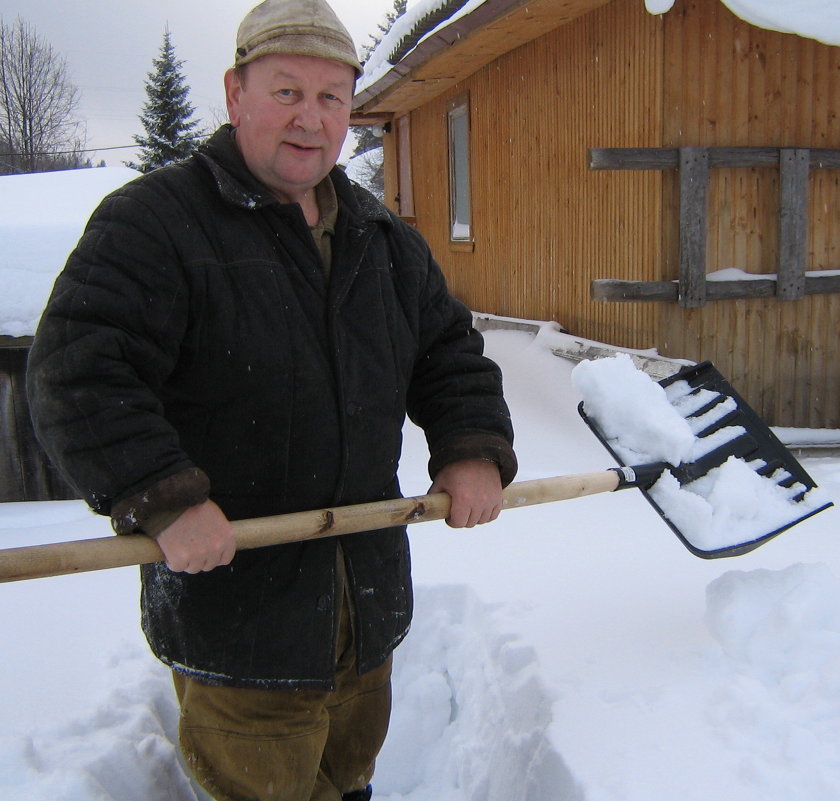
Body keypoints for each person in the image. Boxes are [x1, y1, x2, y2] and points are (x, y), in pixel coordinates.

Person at [26, 0, 517, 798]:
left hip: (366, 601)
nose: (310, 118)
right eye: (286, 91)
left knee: (348, 777)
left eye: (331, 98)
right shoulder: (157, 225)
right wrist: (162, 497)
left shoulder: (381, 237)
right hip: (241, 618)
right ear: (235, 94)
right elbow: (80, 371)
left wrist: (470, 447)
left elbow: (447, 351)